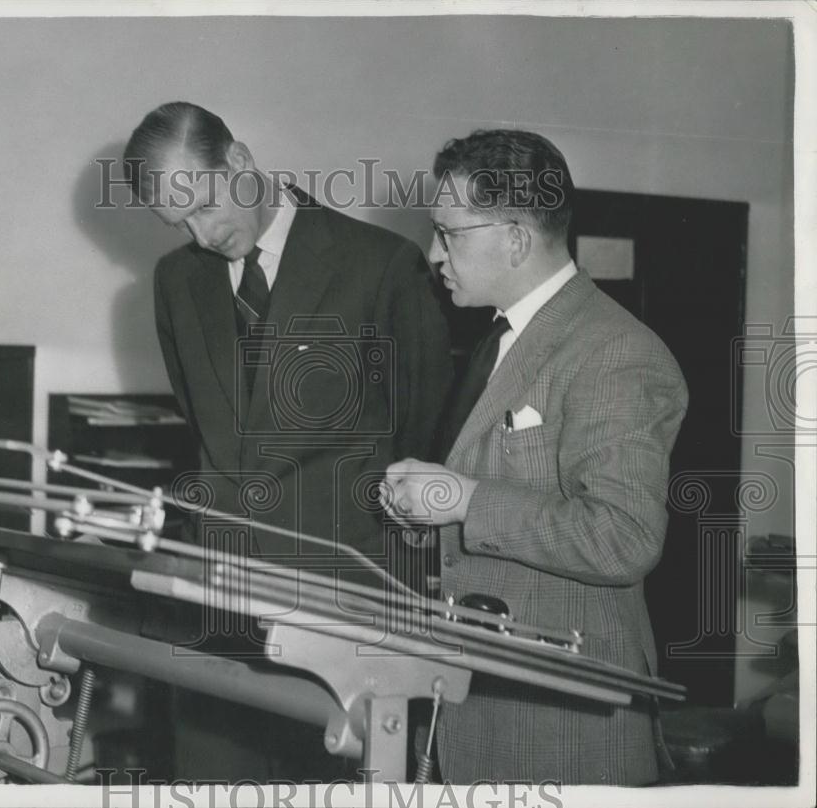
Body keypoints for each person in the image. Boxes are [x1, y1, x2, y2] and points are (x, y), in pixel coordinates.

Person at [123, 101, 451, 780]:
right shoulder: (176, 283)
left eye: (203, 203)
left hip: (349, 601)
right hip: (223, 605)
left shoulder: (382, 265)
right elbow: (213, 428)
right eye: (177, 221)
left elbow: (423, 429)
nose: (201, 232)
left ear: (240, 161)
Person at [383, 129, 688, 785]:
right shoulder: (497, 340)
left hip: (560, 726)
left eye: (450, 233)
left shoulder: (613, 351)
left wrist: (465, 500)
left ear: (516, 236)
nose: (435, 252)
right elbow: (487, 498)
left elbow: (624, 536)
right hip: (479, 706)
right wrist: (428, 506)